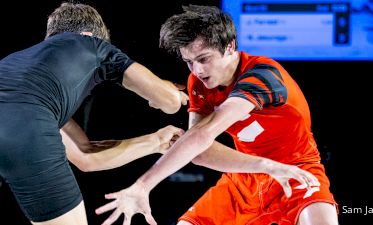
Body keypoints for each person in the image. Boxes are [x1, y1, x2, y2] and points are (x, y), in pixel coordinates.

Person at [95, 5, 338, 225]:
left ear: (230, 46)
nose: (197, 70)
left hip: (297, 169)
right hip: (245, 176)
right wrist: (264, 166)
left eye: (203, 59)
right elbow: (199, 151)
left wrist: (144, 185)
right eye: (189, 62)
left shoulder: (262, 74)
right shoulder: (198, 83)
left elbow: (202, 134)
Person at [0, 2, 188, 225]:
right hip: (25, 132)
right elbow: (170, 102)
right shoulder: (94, 45)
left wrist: (156, 141)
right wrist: (162, 93)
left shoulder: (21, 72)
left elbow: (85, 156)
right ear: (89, 35)